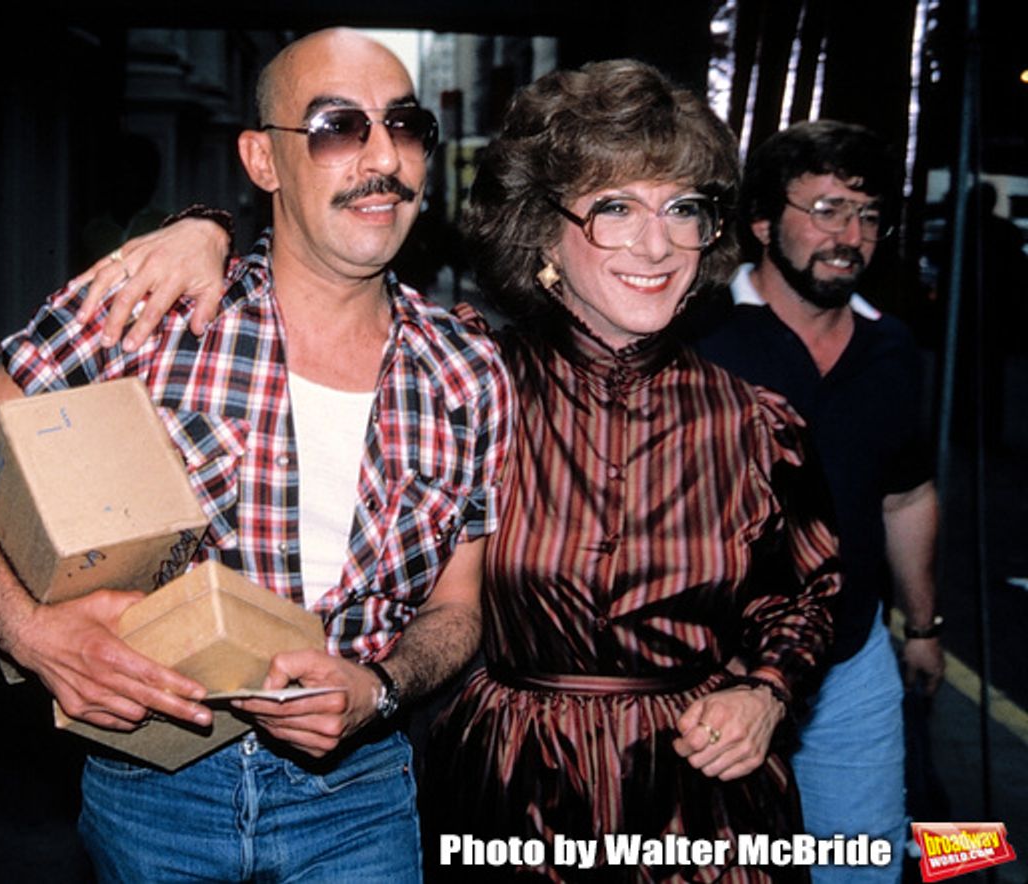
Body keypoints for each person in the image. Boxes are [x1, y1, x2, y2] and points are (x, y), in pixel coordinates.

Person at [84, 60, 843, 882]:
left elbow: (805, 595)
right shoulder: (468, 382)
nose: (656, 245)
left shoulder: (757, 424)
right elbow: (322, 277)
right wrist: (204, 229)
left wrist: (767, 692)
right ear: (542, 231)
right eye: (616, 208)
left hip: (698, 807)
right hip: (517, 796)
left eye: (683, 208)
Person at [0, 28, 513, 883]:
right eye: (336, 126)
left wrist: (380, 688)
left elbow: (458, 605)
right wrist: (26, 630)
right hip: (156, 789)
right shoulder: (157, 311)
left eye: (405, 126)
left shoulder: (468, 371)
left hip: (360, 802)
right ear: (262, 160)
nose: (382, 158)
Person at [687, 120, 944, 882]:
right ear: (764, 223)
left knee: (861, 861)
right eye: (827, 210)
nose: (850, 237)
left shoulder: (891, 347)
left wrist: (922, 628)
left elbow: (906, 496)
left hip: (849, 662)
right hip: (716, 664)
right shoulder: (699, 337)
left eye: (867, 216)